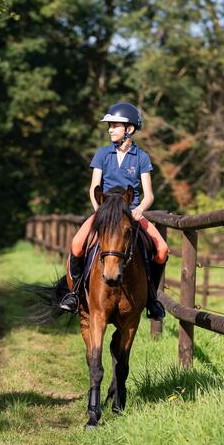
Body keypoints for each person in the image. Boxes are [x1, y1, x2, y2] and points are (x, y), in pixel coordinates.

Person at [59, 102, 168, 319]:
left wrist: (139, 210)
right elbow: (94, 188)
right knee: (77, 245)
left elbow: (149, 194)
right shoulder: (102, 154)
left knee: (162, 249)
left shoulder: (141, 157)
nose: (110, 129)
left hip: (131, 214)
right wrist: (99, 210)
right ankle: (74, 294)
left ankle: (152, 299)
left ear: (129, 129)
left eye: (115, 125)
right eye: (110, 126)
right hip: (105, 213)